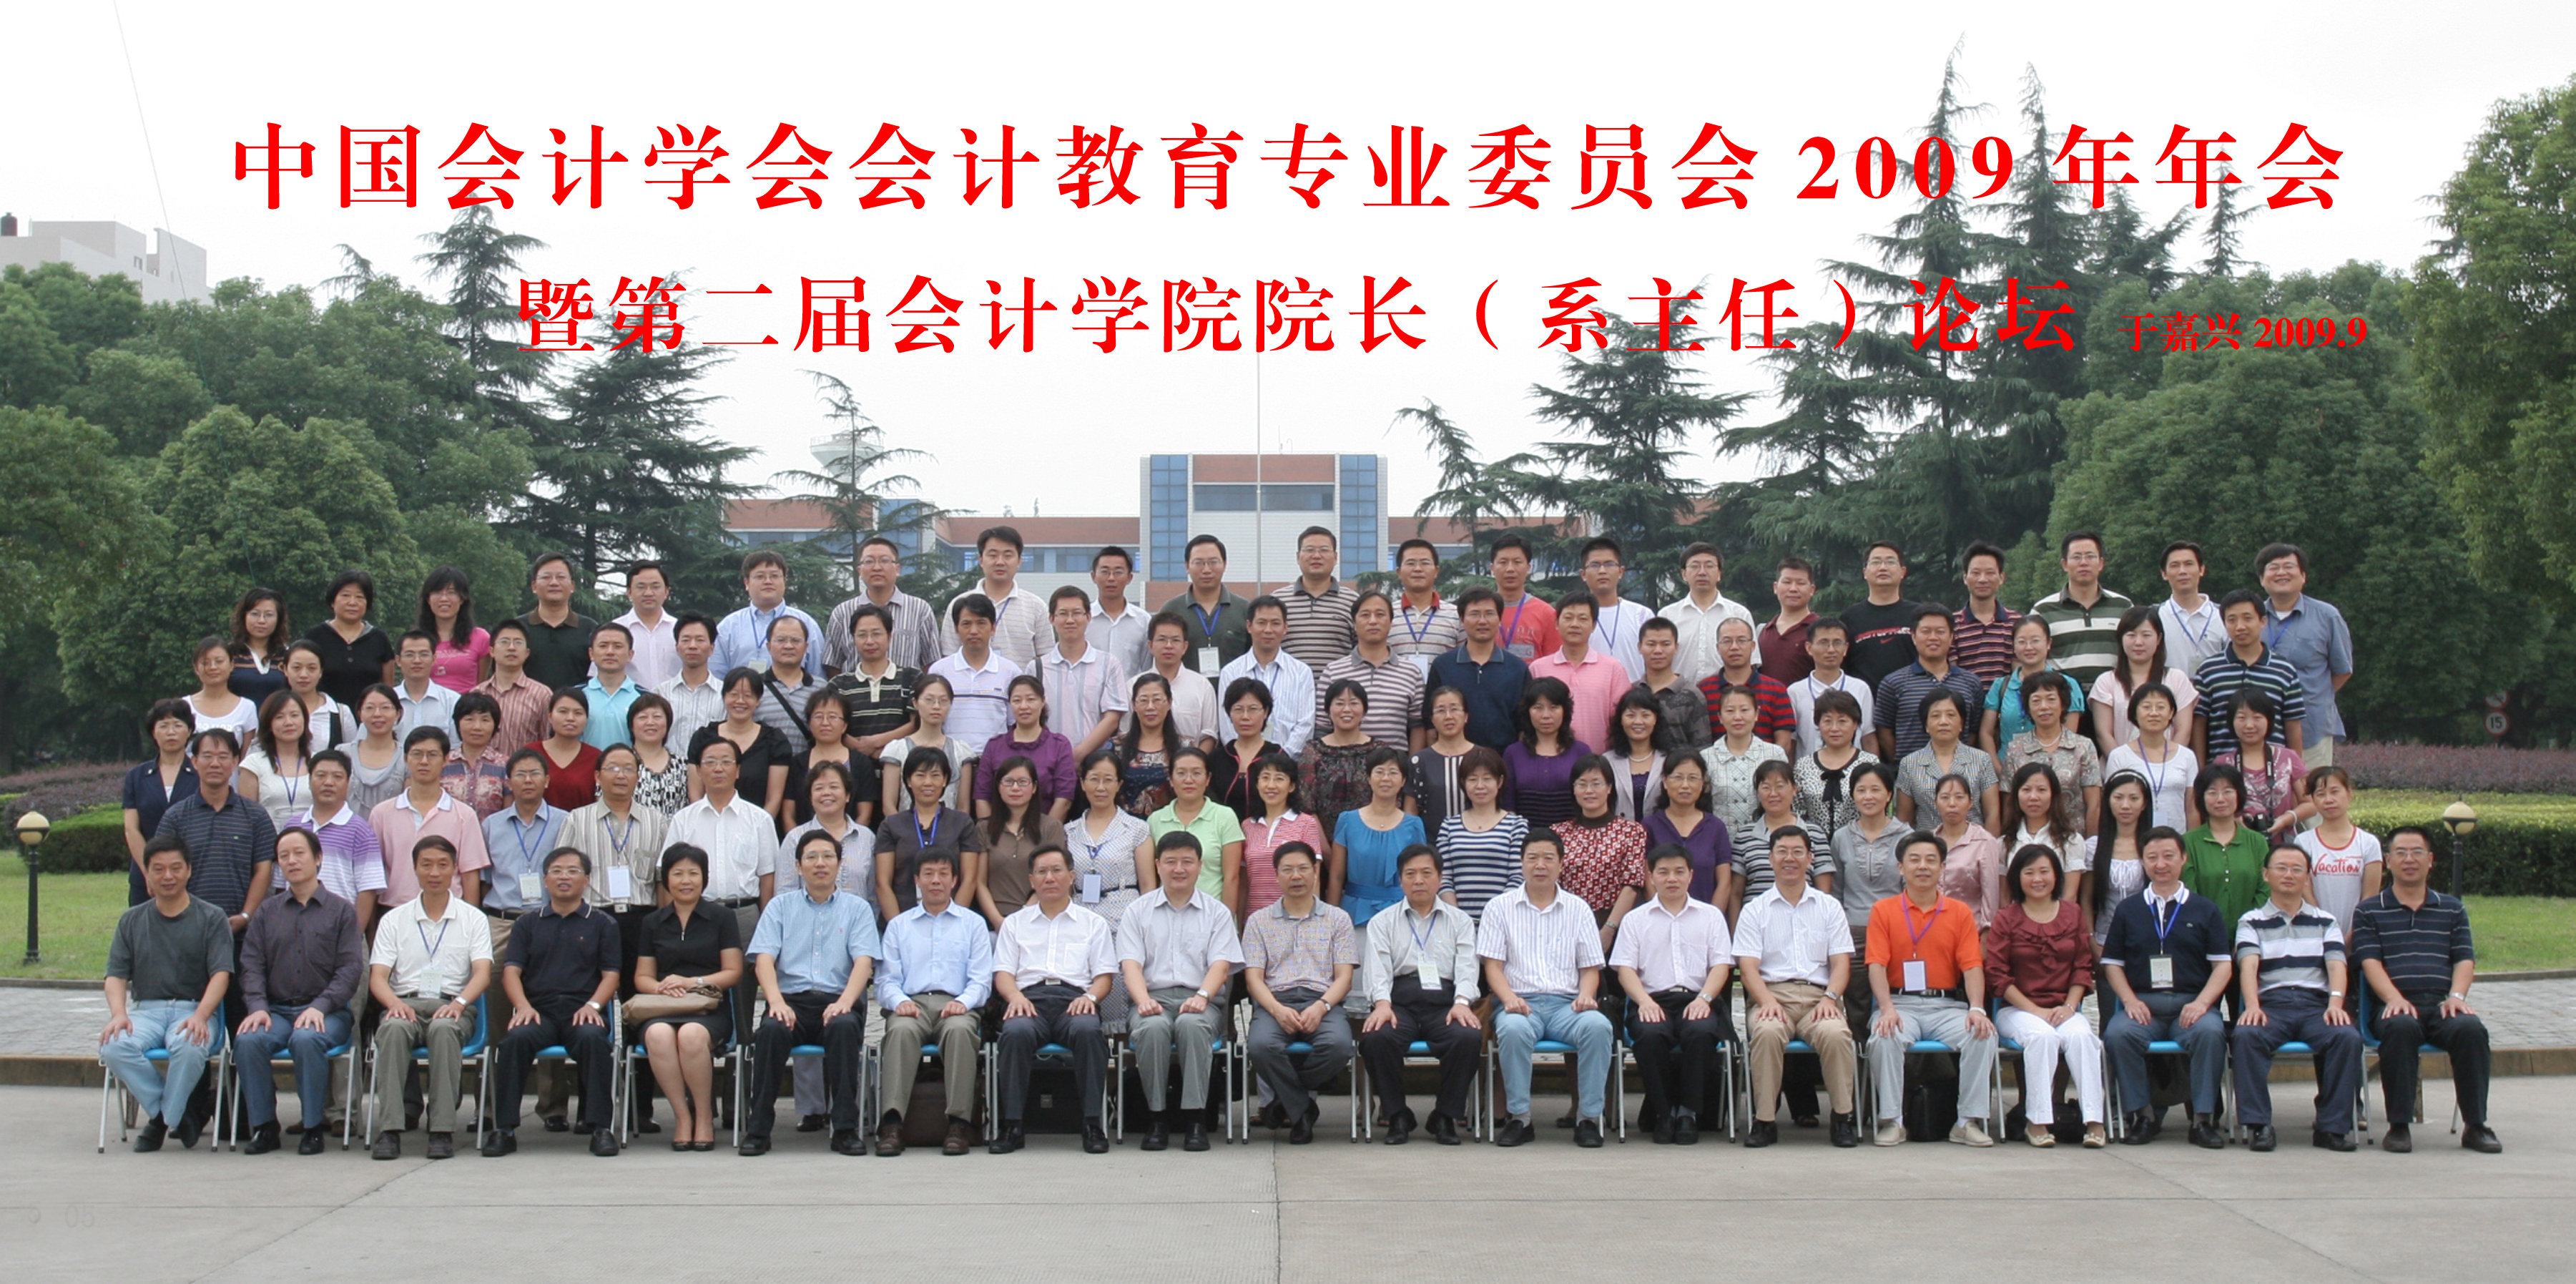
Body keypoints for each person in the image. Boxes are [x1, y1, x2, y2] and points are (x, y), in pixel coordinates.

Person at [2351, 827, 2500, 1154]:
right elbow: (2369, 962)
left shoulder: (2451, 908)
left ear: (2430, 860)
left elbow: (2464, 959)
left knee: (2470, 1029)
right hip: (2391, 1005)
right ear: (2388, 860)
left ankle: (2476, 1126)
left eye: (2417, 852)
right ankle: (2399, 1126)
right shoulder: (2369, 910)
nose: (2409, 859)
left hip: (2440, 1004)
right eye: (2401, 853)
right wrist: (2394, 999)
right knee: (2401, 1027)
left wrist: (2456, 997)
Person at [739, 831, 880, 1156]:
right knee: (771, 1031)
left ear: (840, 864)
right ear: (798, 866)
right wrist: (775, 1002)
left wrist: (844, 1003)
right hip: (791, 1002)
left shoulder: (857, 909)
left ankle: (844, 1130)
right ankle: (758, 1130)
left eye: (828, 857)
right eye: (812, 857)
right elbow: (763, 960)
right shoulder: (779, 907)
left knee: (844, 1027)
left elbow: (864, 963)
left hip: (838, 1000)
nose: (820, 864)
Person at [231, 826, 365, 1155]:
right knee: (248, 1041)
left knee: (306, 1039)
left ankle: (312, 1127)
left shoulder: (341, 911)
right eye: (284, 856)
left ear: (318, 858)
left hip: (328, 1012)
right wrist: (257, 1006)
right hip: (277, 1010)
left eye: (299, 853)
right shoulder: (267, 912)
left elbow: (350, 970)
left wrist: (320, 1006)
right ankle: (264, 1127)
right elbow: (251, 965)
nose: (292, 861)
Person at [484, 846, 623, 1157]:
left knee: (594, 1041)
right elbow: (511, 972)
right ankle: (503, 1129)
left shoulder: (602, 923)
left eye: (573, 871)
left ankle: (600, 1129)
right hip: (539, 1012)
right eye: (557, 871)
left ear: (587, 880)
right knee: (514, 1042)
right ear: (545, 880)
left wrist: (594, 1006)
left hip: (582, 1010)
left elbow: (611, 975)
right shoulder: (527, 923)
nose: (564, 877)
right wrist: (523, 1006)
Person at [1480, 830, 1616, 1147]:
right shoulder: (1499, 907)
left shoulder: (1578, 908)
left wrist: (1586, 995)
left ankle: (1588, 1119)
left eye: (1548, 858)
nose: (1540, 865)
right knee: (1513, 1030)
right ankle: (1520, 1118)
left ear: (1561, 864)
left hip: (1567, 1005)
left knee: (1598, 1027)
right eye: (1532, 858)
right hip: (1520, 1003)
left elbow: (1590, 967)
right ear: (1522, 862)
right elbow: (1493, 967)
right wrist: (1509, 999)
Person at [1863, 830, 1999, 1147]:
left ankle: (1967, 1121)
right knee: (1884, 1036)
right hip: (1900, 1004)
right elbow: (1876, 965)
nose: (1922, 867)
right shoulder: (1883, 910)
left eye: (1930, 860)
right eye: (1914, 860)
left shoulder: (1959, 912)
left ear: (1942, 867)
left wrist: (1977, 1008)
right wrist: (1886, 1009)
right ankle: (1893, 1121)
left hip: (1946, 1006)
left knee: (1983, 1034)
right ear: (1901, 868)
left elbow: (1972, 966)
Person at [2100, 826, 2233, 1147]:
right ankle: (2143, 1116)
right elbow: (2112, 964)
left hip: (2191, 1004)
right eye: (2152, 857)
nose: (2161, 864)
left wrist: (2202, 1004)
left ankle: (2202, 1120)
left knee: (2210, 1033)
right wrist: (2130, 1001)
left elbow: (2223, 965)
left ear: (2183, 858)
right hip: (2145, 1005)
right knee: (2118, 1034)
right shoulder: (2129, 909)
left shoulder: (2205, 909)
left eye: (2169, 856)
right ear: (2143, 862)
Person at [101, 834, 233, 1152]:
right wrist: (119, 1014)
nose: (168, 876)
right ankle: (173, 1114)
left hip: (193, 1009)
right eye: (158, 869)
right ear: (147, 873)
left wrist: (201, 1015)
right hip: (146, 1011)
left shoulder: (212, 917)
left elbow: (221, 974)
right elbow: (115, 975)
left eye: (176, 868)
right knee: (114, 1047)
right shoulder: (132, 920)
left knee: (190, 1045)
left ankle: (160, 1122)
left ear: (189, 870)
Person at [365, 835, 493, 1160]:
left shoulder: (473, 918)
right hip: (404, 1002)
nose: (434, 872)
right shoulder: (394, 919)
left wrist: (459, 1004)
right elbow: (378, 977)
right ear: (415, 869)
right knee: (392, 1029)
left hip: (453, 1004)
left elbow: (482, 973)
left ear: (455, 869)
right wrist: (394, 1004)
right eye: (426, 865)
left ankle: (441, 1129)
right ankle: (390, 1129)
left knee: (444, 1029)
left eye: (442, 865)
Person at [2231, 842, 2364, 1152]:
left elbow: (2337, 965)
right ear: (2266, 875)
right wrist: (2252, 1006)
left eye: (2296, 869)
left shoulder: (2325, 921)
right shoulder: (2251, 921)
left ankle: (2331, 1128)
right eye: (2281, 868)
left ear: (2308, 877)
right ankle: (2259, 1126)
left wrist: (2335, 1003)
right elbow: (2248, 967)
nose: (2289, 875)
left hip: (2315, 1006)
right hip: (2272, 1005)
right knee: (2246, 1035)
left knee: (2346, 1037)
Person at [1119, 830, 1246, 1151]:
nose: (1179, 869)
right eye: (1171, 862)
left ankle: (1195, 1119)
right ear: (1157, 865)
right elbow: (1130, 965)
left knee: (1192, 1025)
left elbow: (1221, 966)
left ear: (1200, 866)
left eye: (1187, 862)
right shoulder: (1137, 911)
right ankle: (1156, 1118)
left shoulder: (1217, 912)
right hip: (1152, 999)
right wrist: (1143, 1001)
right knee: (1152, 1028)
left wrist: (1202, 997)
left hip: (1202, 1000)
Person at [1733, 828, 1859, 1147]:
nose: (1790, 859)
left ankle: (1842, 1118)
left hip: (1820, 998)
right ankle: (1764, 1121)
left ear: (1810, 858)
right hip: (1773, 995)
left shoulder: (1829, 907)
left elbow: (1841, 963)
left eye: (1798, 852)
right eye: (1782, 852)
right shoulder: (1755, 909)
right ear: (1771, 859)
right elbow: (1748, 968)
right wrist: (1765, 1001)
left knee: (1836, 1034)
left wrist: (1831, 998)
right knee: (1767, 1033)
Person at [990, 846, 1117, 1154]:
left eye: (1057, 870)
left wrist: (1090, 997)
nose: (1050, 878)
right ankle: (1012, 1125)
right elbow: (1003, 974)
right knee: (1015, 1033)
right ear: (1032, 880)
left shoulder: (1093, 923)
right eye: (1042, 872)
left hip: (1074, 1000)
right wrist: (1014, 997)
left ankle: (1092, 1123)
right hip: (1028, 999)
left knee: (1088, 1031)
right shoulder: (1015, 923)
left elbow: (1104, 977)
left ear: (1071, 877)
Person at [872, 851, 993, 1157]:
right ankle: (892, 1125)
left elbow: (981, 980)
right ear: (917, 880)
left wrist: (964, 1002)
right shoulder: (899, 926)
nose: (935, 880)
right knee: (900, 1032)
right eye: (928, 874)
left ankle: (959, 1125)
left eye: (943, 874)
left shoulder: (973, 924)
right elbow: (886, 980)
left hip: (957, 1004)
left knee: (960, 1031)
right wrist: (899, 1002)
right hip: (911, 1004)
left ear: (954, 880)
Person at [1359, 845, 1483, 1144]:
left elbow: (1468, 966)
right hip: (1399, 1002)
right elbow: (1377, 969)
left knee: (1467, 1037)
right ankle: (1397, 1114)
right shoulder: (1383, 921)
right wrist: (1382, 1004)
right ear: (1400, 880)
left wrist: (1462, 1002)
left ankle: (1445, 1116)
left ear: (1439, 878)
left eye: (1427, 873)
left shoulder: (1460, 921)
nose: (1418, 881)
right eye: (1410, 874)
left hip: (1445, 1003)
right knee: (1376, 1039)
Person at [1986, 843, 2108, 1147]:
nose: (2037, 879)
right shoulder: (2006, 918)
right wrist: (2035, 1011)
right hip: (2018, 1010)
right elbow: (1998, 975)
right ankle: (2037, 1122)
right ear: (2018, 877)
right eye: (2029, 872)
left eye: (2044, 872)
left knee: (2082, 1037)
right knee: (2043, 1038)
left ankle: (2095, 1122)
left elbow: (2082, 967)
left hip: (2063, 1007)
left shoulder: (2072, 913)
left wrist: (2070, 1006)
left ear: (2056, 876)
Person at [1613, 843, 1735, 1144]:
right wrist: (1644, 1002)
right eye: (1664, 872)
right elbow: (1625, 969)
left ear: (1691, 876)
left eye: (1679, 872)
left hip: (1697, 997)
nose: (1672, 879)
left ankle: (1688, 1113)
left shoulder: (1710, 916)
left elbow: (1721, 965)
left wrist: (1704, 999)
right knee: (1650, 1034)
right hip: (1651, 999)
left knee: (1701, 1032)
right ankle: (1663, 1113)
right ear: (1651, 877)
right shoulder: (1635, 919)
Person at [1242, 841, 1360, 1144]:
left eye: (1303, 869)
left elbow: (1344, 978)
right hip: (1275, 1002)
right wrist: (1277, 1010)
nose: (1296, 876)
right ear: (1276, 875)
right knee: (1260, 1046)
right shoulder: (1258, 921)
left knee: (1338, 1046)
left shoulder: (1338, 918)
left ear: (1316, 871)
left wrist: (1321, 1007)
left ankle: (1284, 1102)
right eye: (1288, 870)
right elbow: (1254, 979)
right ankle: (1303, 1109)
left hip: (1323, 1001)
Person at [631, 844, 743, 1152]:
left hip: (708, 1007)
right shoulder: (653, 922)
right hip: (664, 1006)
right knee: (658, 1035)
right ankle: (682, 1117)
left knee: (691, 1036)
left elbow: (733, 972)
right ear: (666, 879)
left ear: (704, 878)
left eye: (693, 873)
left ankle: (704, 1116)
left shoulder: (722, 917)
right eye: (677, 873)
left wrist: (693, 982)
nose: (685, 880)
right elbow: (642, 977)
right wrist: (662, 988)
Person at [154, 728, 277, 936]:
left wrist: (246, 916)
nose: (215, 764)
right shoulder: (175, 817)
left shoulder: (255, 816)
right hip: (188, 929)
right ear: (194, 762)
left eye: (223, 757)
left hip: (243, 932)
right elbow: (163, 869)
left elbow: (264, 870)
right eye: (207, 756)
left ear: (235, 762)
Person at [666, 737, 780, 934]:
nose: (718, 769)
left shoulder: (760, 819)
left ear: (738, 770)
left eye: (726, 762)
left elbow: (768, 876)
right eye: (710, 762)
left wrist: (767, 924)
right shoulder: (683, 819)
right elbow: (668, 872)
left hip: (745, 914)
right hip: (697, 913)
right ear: (698, 771)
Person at [2255, 542, 2354, 768]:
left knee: (2312, 788)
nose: (2281, 572)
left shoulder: (2327, 616)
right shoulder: (2252, 617)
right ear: (2262, 579)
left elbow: (2343, 670)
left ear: (2303, 576)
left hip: (2312, 726)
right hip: (2260, 730)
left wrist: (2315, 696)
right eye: (2273, 567)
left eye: (2289, 566)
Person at [370, 727, 491, 910]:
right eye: (417, 754)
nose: (424, 761)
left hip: (449, 911)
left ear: (446, 760)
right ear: (405, 759)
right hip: (394, 910)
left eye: (432, 755)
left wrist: (470, 918)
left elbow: (469, 874)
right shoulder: (382, 814)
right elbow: (374, 872)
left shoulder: (464, 815)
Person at [2193, 589, 2308, 760]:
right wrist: (2201, 770)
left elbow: (2292, 724)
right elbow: (2199, 724)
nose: (2240, 627)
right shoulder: (2208, 670)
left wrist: (2295, 769)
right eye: (2232, 620)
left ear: (2263, 621)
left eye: (2247, 618)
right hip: (2221, 771)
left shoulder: (2284, 670)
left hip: (2273, 770)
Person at [875, 745, 986, 918]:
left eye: (935, 775)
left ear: (945, 780)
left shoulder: (962, 823)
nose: (928, 782)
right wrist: (898, 927)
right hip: (904, 918)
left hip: (952, 920)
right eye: (920, 775)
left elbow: (969, 880)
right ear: (909, 781)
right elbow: (883, 883)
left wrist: (953, 922)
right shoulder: (891, 825)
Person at [565, 743, 672, 921]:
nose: (621, 775)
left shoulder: (656, 821)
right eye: (613, 768)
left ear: (638, 777)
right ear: (597, 776)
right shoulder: (576, 819)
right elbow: (563, 872)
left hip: (643, 917)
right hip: (592, 917)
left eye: (628, 769)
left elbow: (664, 878)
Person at [828, 604, 923, 803]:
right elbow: (831, 727)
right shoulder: (839, 685)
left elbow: (917, 723)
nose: (870, 641)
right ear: (853, 639)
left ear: (889, 637)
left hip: (902, 778)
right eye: (862, 635)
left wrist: (877, 744)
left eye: (876, 634)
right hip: (854, 780)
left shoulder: (912, 678)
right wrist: (860, 748)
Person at [1555, 755, 1648, 954]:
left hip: (1617, 927)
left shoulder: (1631, 831)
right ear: (1574, 789)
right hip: (1567, 927)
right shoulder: (1559, 833)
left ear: (1609, 788)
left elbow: (1632, 884)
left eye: (1596, 784)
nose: (1589, 791)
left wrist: (1609, 930)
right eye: (1582, 784)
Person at [2028, 531, 2133, 702]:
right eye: (2076, 557)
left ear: (2101, 563)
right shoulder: (2043, 610)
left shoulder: (2123, 606)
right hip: (2061, 701)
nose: (2084, 563)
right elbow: (2032, 659)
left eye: (2090, 556)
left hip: (2114, 698)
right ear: (2065, 564)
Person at [1317, 589, 1427, 751]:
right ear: (1354, 624)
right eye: (1365, 615)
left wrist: (1412, 764)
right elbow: (1322, 726)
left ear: (1391, 622)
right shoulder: (1333, 672)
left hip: (1394, 764)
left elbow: (1417, 726)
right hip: (1344, 762)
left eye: (1380, 615)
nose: (1373, 621)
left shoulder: (1411, 672)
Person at [1874, 605, 1987, 761]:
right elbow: (1885, 733)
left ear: (1951, 637)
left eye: (1940, 632)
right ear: (1914, 636)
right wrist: (1905, 764)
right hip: (1909, 772)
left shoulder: (1971, 682)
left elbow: (1973, 731)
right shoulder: (1893, 683)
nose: (1933, 638)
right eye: (1926, 631)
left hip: (1960, 772)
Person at [290, 750, 385, 928]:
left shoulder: (361, 830)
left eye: (337, 777)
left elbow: (368, 889)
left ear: (348, 783)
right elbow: (282, 883)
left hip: (339, 928)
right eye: (321, 776)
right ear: (309, 781)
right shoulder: (293, 827)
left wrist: (353, 934)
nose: (328, 782)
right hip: (294, 927)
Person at [1426, 588, 1531, 750]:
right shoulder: (1443, 666)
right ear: (1462, 619)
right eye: (1474, 614)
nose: (1482, 621)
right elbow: (1430, 723)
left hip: (1503, 758)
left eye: (1489, 614)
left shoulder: (1517, 669)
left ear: (1500, 619)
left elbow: (1525, 725)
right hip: (1454, 757)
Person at [1529, 592, 1633, 755]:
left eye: (1583, 619)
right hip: (1549, 761)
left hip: (1600, 762)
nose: (1575, 624)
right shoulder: (1538, 669)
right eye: (1568, 618)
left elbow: (1622, 719)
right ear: (1557, 623)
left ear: (1593, 625)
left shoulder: (1613, 669)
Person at [1331, 746, 1424, 926]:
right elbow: (1336, 876)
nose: (1386, 778)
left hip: (1402, 913)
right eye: (1379, 772)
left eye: (1393, 773)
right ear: (1369, 778)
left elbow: (1419, 877)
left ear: (1403, 781)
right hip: (1355, 911)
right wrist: (1331, 920)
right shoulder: (1348, 821)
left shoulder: (1414, 825)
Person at [2002, 670, 2103, 835]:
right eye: (2036, 701)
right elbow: (2010, 804)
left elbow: (2094, 805)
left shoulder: (2083, 746)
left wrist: (2092, 844)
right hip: (2029, 842)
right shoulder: (2016, 749)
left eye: (2051, 699)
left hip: (2074, 839)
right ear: (2028, 707)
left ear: (2063, 704)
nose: (2044, 707)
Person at [687, 669, 793, 826]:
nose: (740, 701)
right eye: (734, 694)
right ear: (724, 697)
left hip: (757, 828)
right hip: (708, 826)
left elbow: (774, 799)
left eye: (748, 695)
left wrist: (756, 830)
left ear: (758, 700)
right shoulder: (703, 737)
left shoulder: (775, 741)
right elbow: (695, 794)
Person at [1147, 746, 1245, 913]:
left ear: (1208, 779)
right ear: (1171, 780)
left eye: (1197, 773)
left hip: (1212, 915)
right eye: (1181, 773)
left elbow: (1232, 878)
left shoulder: (1225, 816)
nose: (1189, 780)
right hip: (1166, 914)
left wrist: (1226, 920)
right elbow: (1152, 877)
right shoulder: (1155, 820)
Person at [825, 535, 942, 675]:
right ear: (860, 571)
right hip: (856, 688)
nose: (877, 568)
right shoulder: (842, 613)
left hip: (907, 688)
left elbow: (932, 663)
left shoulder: (920, 610)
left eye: (884, 561)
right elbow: (832, 665)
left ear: (898, 569)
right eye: (869, 562)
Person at [1038, 585, 1130, 760]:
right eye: (1063, 614)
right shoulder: (1037, 668)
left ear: (1088, 617)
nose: (1070, 620)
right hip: (1049, 761)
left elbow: (1112, 718)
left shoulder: (1108, 664)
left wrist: (1077, 756)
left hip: (1094, 764)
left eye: (1077, 613)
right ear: (1052, 619)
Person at [2091, 607, 2199, 755]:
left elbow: (2183, 731)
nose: (2138, 642)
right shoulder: (2106, 682)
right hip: (2119, 766)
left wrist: (2167, 763)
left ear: (2159, 639)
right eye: (2131, 635)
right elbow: (2104, 734)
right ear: (2121, 639)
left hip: (2169, 765)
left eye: (2146, 635)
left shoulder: (2177, 679)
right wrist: (2124, 764)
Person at [1217, 596, 1317, 755]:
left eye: (1275, 623)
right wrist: (1246, 757)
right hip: (1242, 763)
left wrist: (1282, 758)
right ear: (1249, 626)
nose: (1268, 630)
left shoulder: (1301, 672)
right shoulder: (1231, 672)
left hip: (1288, 763)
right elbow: (1226, 724)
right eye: (1262, 623)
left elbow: (1306, 724)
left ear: (1285, 628)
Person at [122, 702, 200, 906]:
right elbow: (131, 828)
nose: (171, 732)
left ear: (189, 731)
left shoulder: (202, 773)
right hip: (144, 875)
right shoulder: (137, 776)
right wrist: (149, 871)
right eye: (164, 726)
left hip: (194, 873)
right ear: (153, 732)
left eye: (178, 725)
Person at [1436, 747, 1527, 920]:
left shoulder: (1516, 826)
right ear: (1463, 783)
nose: (1480, 786)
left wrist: (1494, 916)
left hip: (1503, 920)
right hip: (1457, 923)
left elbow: (1518, 876)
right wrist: (1459, 919)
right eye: (1472, 779)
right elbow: (1444, 877)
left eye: (1487, 779)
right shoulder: (1449, 826)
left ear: (1500, 782)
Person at [1731, 759, 1836, 908]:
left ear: (1794, 790)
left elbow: (1824, 891)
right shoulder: (1745, 836)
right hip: (1757, 919)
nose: (1773, 794)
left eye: (1780, 787)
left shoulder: (1814, 834)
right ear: (1758, 793)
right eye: (1766, 788)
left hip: (1805, 917)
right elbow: (1736, 893)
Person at [940, 525, 1049, 668]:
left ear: (1019, 561)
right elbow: (949, 655)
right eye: (993, 555)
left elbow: (1046, 658)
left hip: (1019, 682)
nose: (1000, 562)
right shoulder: (959, 605)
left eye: (1008, 556)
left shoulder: (1036, 607)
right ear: (981, 560)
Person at [978, 755, 1067, 926]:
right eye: (1008, 782)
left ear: (1034, 787)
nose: (1015, 788)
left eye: (1023, 782)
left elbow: (1054, 876)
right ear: (998, 787)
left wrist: (1023, 918)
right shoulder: (984, 828)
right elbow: (980, 882)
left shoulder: (1050, 827)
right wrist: (998, 922)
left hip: (1039, 919)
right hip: (996, 922)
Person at [928, 594, 1022, 752]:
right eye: (966, 624)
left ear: (993, 628)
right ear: (956, 629)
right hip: (950, 758)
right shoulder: (939, 671)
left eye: (981, 623)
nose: (973, 631)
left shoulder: (1011, 672)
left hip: (996, 760)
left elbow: (1015, 724)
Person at [1894, 689, 2002, 828]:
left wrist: (1988, 842)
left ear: (1962, 723)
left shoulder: (1982, 760)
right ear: (1926, 725)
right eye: (1936, 716)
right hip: (1927, 840)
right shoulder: (1909, 764)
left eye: (1951, 715)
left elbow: (1992, 814)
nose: (1943, 722)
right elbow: (1904, 819)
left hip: (1973, 840)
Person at [1981, 615, 2089, 753]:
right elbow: (1986, 733)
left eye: (2035, 641)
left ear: (2049, 643)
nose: (2029, 647)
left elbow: (2069, 736)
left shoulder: (2067, 684)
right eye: (2022, 642)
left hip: (2053, 763)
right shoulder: (2001, 686)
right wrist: (1997, 764)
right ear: (2013, 646)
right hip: (2006, 763)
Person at [1300, 679, 1392, 841]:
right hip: (1322, 843)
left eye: (1354, 703)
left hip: (1373, 840)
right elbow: (1306, 806)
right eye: (1339, 703)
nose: (1347, 710)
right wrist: (1326, 851)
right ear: (1328, 710)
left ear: (1364, 710)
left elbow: (1390, 801)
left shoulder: (1379, 751)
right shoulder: (1313, 751)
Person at [2213, 691, 2312, 838]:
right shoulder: (2222, 763)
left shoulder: (2288, 758)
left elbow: (2311, 803)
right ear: (2231, 722)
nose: (2249, 725)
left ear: (2269, 720)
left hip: (2283, 843)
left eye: (2257, 717)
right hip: (2237, 842)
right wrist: (2234, 821)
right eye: (2241, 718)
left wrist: (2286, 820)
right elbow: (2211, 807)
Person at [712, 549, 823, 680]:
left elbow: (817, 675)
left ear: (785, 581)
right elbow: (717, 676)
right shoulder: (729, 626)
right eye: (760, 577)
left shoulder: (806, 623)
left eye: (774, 576)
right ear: (747, 583)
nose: (768, 581)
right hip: (742, 693)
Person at [977, 675, 1077, 819]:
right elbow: (982, 796)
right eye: (1017, 701)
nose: (1024, 706)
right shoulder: (995, 746)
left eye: (1031, 699)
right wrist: (991, 830)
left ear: (1042, 702)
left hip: (1045, 828)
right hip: (999, 829)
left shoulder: (1059, 745)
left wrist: (1048, 830)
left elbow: (1064, 798)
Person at [2104, 683, 2200, 833]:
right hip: (2134, 839)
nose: (2154, 713)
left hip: (2177, 839)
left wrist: (2191, 844)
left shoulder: (2186, 756)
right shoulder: (2119, 756)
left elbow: (2192, 808)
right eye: (2146, 707)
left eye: (2161, 707)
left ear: (2171, 713)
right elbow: (2112, 804)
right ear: (2135, 713)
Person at [2184, 763, 2272, 926]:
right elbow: (2190, 895)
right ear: (2201, 798)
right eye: (2212, 793)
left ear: (2239, 794)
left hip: (2252, 931)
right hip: (2203, 931)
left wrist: (2248, 926)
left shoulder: (2257, 842)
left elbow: (2265, 889)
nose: (2220, 799)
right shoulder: (2189, 843)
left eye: (2228, 791)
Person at [2295, 768, 2382, 931]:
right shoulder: (2303, 842)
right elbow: (2305, 895)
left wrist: (2352, 935)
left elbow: (2369, 897)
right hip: (2315, 933)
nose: (2329, 800)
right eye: (2321, 794)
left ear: (2349, 793)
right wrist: (2325, 930)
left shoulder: (2369, 843)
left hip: (2358, 933)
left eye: (2335, 792)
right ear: (2313, 799)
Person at [1660, 541, 1755, 689]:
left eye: (1709, 566)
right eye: (1695, 566)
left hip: (1728, 696)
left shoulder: (1739, 614)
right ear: (1684, 574)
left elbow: (1752, 663)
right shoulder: (1668, 615)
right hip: (1678, 696)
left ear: (1719, 574)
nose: (1702, 572)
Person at [1830, 763, 1907, 942]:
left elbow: (1910, 889)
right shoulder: (1841, 837)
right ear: (1853, 795)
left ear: (1889, 795)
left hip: (1895, 929)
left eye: (1875, 790)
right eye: (1861, 790)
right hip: (1850, 932)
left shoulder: (1906, 837)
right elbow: (1837, 891)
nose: (1868, 797)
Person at [1644, 753, 1733, 907]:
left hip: (1706, 918)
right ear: (1665, 781)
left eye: (1693, 778)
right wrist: (1663, 913)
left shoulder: (1715, 827)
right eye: (1678, 777)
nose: (1685, 785)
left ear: (1703, 784)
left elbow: (1724, 884)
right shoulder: (1650, 826)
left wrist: (1712, 917)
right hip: (1660, 916)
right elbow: (1647, 880)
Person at [1242, 752, 1323, 919]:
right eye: (1265, 778)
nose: (1271, 785)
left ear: (1292, 786)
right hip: (1255, 918)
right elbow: (1243, 881)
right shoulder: (1248, 826)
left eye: (1279, 779)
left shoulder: (1306, 823)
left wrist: (1313, 921)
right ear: (1257, 784)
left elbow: (1314, 878)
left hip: (1296, 917)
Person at [1161, 533, 1254, 679]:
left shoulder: (1245, 609)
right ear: (1187, 566)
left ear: (1225, 564)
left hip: (1234, 691)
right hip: (1185, 692)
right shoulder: (1171, 610)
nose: (1206, 570)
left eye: (1213, 562)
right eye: (1199, 563)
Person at [1794, 690, 1880, 841]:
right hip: (1814, 846)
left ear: (1855, 724)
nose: (1834, 728)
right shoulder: (1803, 766)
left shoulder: (1869, 763)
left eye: (1842, 721)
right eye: (1827, 721)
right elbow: (1797, 812)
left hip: (1859, 844)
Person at [878, 674, 967, 818]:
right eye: (929, 700)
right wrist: (903, 830)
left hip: (950, 830)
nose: (936, 706)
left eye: (943, 701)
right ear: (915, 703)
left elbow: (963, 807)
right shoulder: (897, 750)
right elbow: (889, 806)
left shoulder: (961, 752)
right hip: (904, 829)